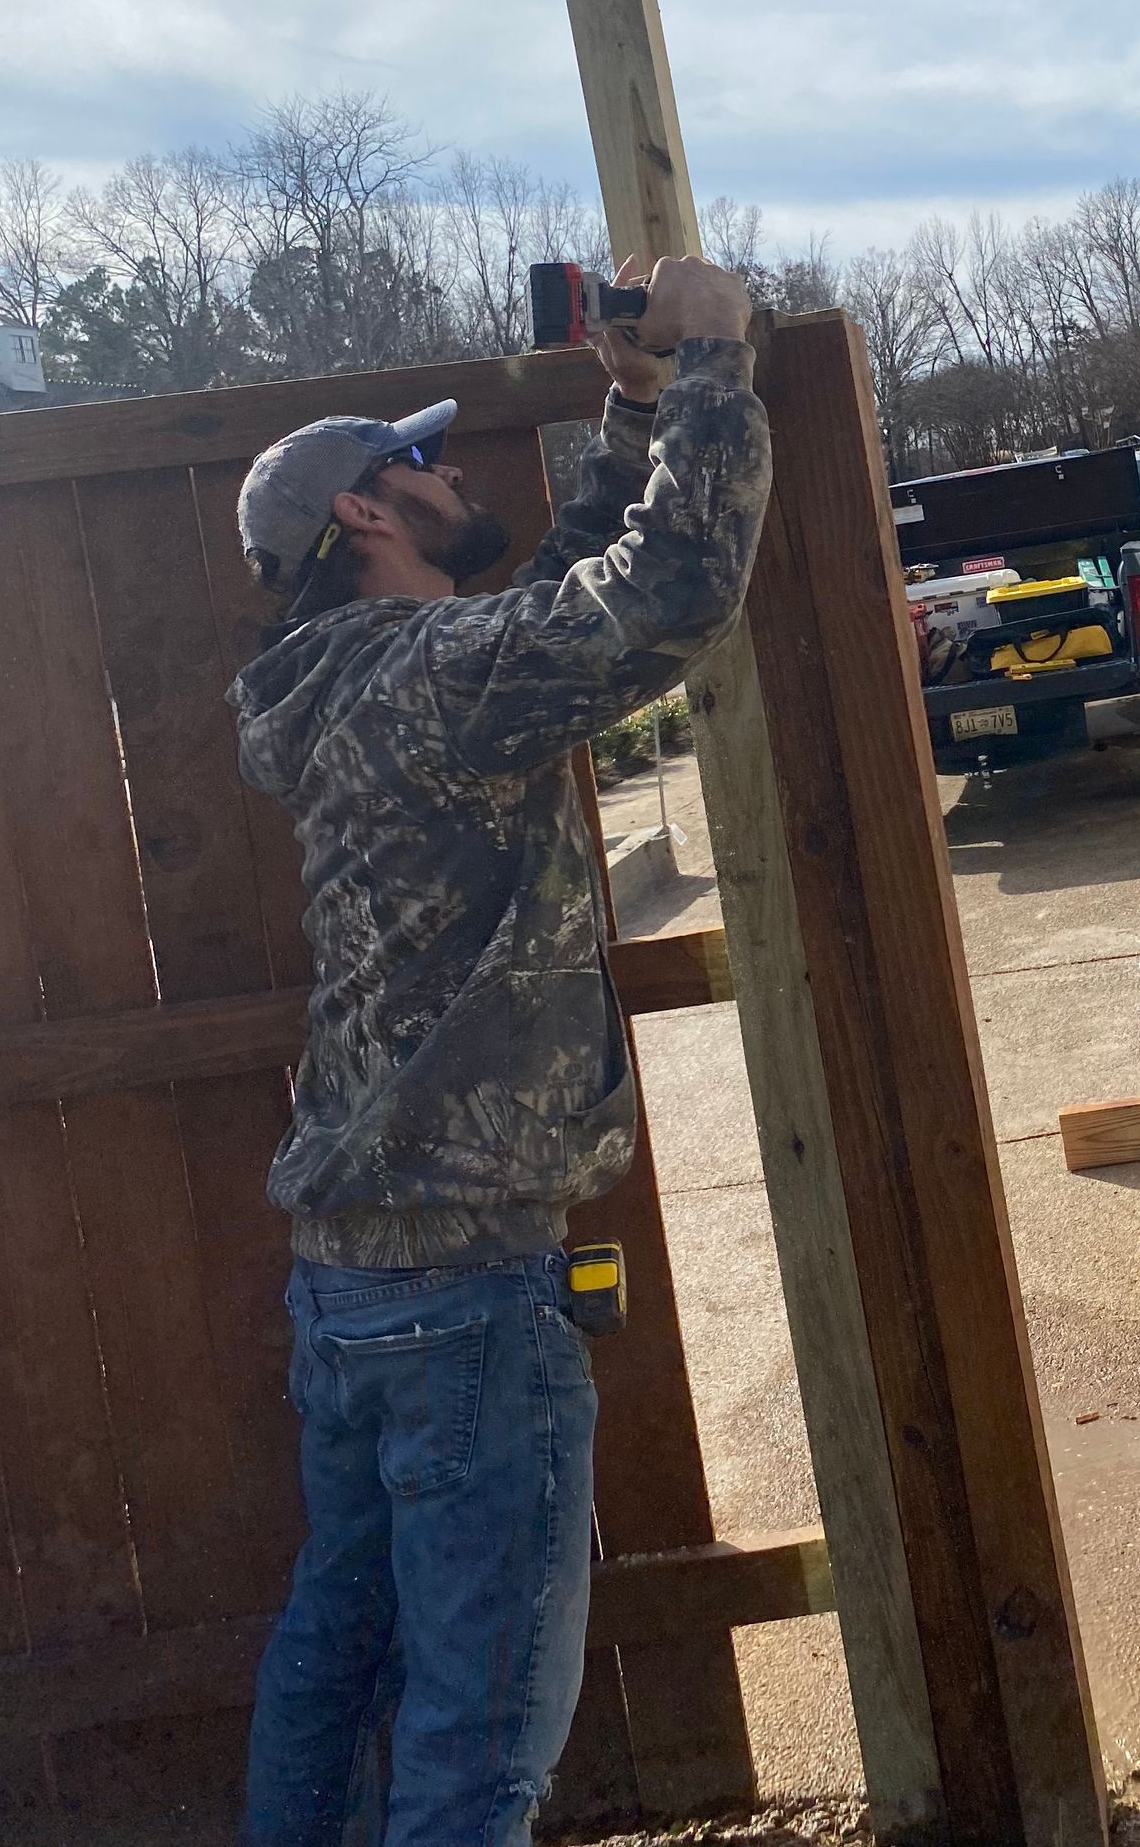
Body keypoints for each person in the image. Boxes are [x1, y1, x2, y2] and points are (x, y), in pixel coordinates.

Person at [232, 252, 767, 1847]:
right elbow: (665, 597)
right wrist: (723, 361)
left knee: (336, 1655)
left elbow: (557, 613)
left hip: (350, 1280)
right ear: (364, 519)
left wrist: (633, 402)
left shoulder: (347, 685)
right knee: (479, 1739)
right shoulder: (428, 686)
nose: (452, 470)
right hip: (462, 1296)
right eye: (419, 461)